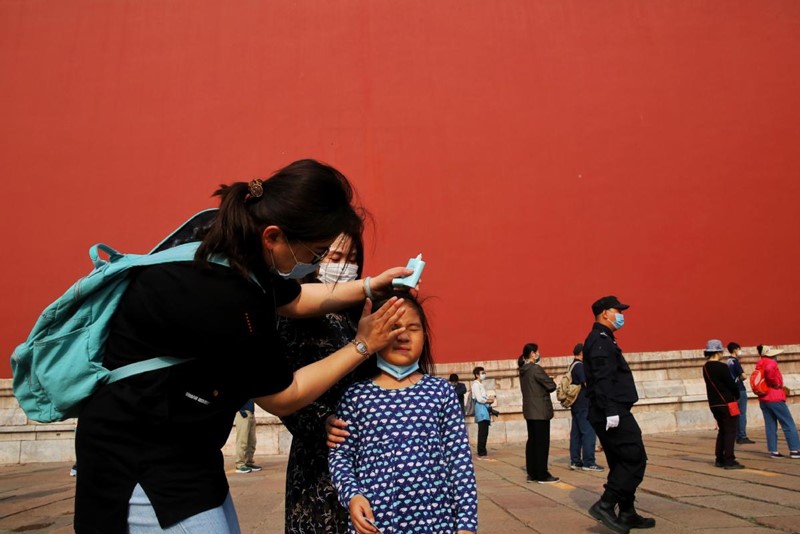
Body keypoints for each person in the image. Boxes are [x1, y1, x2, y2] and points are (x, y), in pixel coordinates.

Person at [73, 159, 413, 534]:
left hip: (189, 446)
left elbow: (294, 298)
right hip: (140, 454)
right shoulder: (229, 299)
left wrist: (369, 286)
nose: (316, 263)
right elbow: (283, 396)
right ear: (273, 236)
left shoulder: (228, 242)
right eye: (317, 252)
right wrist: (363, 344)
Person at [328, 292, 478, 534]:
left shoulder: (441, 392)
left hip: (436, 522)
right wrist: (352, 496)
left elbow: (459, 461)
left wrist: (466, 524)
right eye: (393, 327)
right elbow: (341, 456)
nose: (403, 336)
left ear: (425, 336)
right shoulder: (355, 396)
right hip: (376, 522)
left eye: (413, 328)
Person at [279, 232, 376, 533]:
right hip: (319, 456)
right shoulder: (293, 311)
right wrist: (319, 421)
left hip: (367, 450)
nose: (345, 266)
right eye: (335, 258)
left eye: (352, 259)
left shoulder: (362, 310)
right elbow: (280, 385)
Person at [583, 296, 655, 533]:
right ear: (605, 313)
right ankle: (605, 504)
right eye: (618, 311)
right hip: (611, 410)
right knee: (634, 458)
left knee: (620, 461)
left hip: (609, 409)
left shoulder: (604, 339)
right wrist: (611, 411)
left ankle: (627, 512)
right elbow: (602, 378)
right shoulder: (600, 340)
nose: (621, 315)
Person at [517, 343, 559, 483]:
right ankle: (542, 474)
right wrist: (550, 380)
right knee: (542, 443)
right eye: (537, 352)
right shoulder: (535, 369)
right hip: (540, 410)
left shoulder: (523, 370)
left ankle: (532, 473)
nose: (539, 354)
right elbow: (551, 386)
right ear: (532, 354)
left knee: (532, 442)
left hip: (530, 410)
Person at [702, 340, 744, 469]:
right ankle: (729, 459)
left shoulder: (706, 367)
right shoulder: (722, 367)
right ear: (718, 352)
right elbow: (731, 385)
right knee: (730, 431)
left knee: (722, 431)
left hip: (714, 403)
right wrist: (737, 395)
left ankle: (719, 458)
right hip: (727, 402)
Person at [755, 346, 800, 459]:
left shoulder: (759, 364)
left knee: (770, 425)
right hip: (775, 396)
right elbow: (769, 371)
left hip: (764, 397)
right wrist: (775, 383)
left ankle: (773, 450)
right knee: (788, 423)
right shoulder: (771, 363)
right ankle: (794, 449)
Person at [569, 343, 604, 472]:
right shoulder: (580, 366)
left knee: (576, 434)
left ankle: (575, 460)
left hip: (576, 404)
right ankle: (589, 461)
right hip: (584, 404)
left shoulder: (572, 366)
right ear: (582, 353)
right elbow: (587, 383)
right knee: (588, 432)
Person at [726, 342, 754, 444]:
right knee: (742, 413)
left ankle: (736, 435)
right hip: (740, 389)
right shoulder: (735, 362)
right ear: (735, 350)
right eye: (739, 349)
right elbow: (744, 376)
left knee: (734, 414)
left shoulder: (727, 362)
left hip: (731, 391)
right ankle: (742, 435)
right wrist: (740, 380)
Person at [472, 365, 496, 460]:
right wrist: (488, 400)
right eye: (482, 373)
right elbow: (479, 398)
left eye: (484, 373)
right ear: (477, 375)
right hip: (481, 409)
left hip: (484, 409)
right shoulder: (475, 385)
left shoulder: (480, 384)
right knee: (482, 432)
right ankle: (481, 452)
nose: (484, 374)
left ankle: (483, 451)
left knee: (485, 432)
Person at [234, 399, 262, 474]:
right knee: (242, 441)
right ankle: (240, 464)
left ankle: (248, 462)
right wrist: (240, 410)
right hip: (242, 413)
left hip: (251, 412)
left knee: (252, 441)